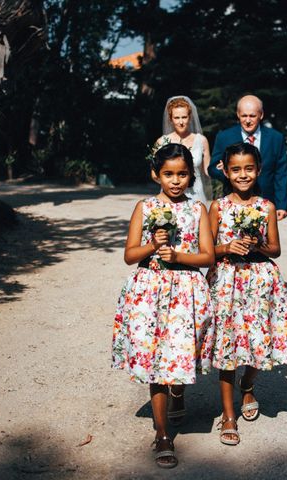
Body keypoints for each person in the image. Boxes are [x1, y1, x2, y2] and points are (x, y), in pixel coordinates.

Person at [111, 143, 216, 468]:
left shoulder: (197, 210)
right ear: (155, 174)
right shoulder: (144, 207)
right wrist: (151, 246)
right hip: (149, 292)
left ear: (191, 175)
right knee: (157, 361)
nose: (175, 181)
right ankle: (161, 433)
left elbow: (208, 256)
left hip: (186, 290)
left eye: (182, 174)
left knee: (180, 356)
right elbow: (129, 255)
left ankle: (179, 393)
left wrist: (179, 256)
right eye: (168, 174)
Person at [207, 142, 287, 446]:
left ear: (258, 170)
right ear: (226, 171)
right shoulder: (218, 207)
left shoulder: (266, 206)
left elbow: (276, 249)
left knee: (260, 342)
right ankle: (229, 414)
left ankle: (247, 385)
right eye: (236, 169)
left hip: (260, 281)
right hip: (227, 280)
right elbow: (206, 250)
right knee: (227, 347)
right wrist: (226, 247)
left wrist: (257, 244)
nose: (243, 175)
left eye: (249, 168)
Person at [209, 95, 287, 220]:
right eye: (244, 116)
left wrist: (281, 205)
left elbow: (281, 174)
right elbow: (212, 168)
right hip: (233, 201)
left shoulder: (276, 138)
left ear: (261, 115)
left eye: (252, 116)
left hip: (266, 202)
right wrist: (224, 170)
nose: (247, 120)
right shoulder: (224, 137)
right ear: (238, 114)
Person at [157, 96, 212, 206]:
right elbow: (155, 174)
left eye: (184, 117)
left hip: (196, 192)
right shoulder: (162, 142)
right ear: (171, 119)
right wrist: (172, 183)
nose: (181, 122)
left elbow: (207, 170)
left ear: (190, 118)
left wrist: (222, 168)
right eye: (177, 118)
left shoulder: (201, 140)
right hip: (171, 192)